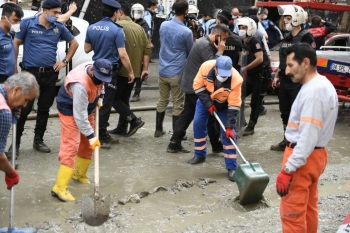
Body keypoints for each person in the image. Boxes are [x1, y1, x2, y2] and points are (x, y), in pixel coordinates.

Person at [276, 43, 338, 232]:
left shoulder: (313, 92)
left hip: (302, 158)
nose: (287, 71)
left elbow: (308, 136)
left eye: (290, 65)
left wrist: (288, 169)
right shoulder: (321, 84)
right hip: (315, 157)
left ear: (305, 63)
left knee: (292, 214)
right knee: (309, 208)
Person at [13, 0, 78, 155]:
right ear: (45, 10)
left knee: (44, 109)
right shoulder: (28, 24)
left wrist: (64, 62)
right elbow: (15, 43)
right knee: (24, 110)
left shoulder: (58, 27)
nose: (57, 15)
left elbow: (74, 43)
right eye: (55, 12)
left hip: (50, 75)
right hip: (29, 74)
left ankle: (38, 140)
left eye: (59, 13)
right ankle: (15, 146)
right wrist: (14, 69)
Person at [51, 59, 112, 202]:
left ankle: (79, 174)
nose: (101, 81)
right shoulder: (80, 84)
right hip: (69, 109)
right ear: (92, 71)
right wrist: (92, 136)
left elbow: (102, 85)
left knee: (87, 144)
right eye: (98, 78)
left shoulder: (100, 71)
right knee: (71, 145)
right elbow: (79, 116)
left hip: (86, 106)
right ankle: (59, 187)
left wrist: (100, 97)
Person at [166, 24, 229, 153]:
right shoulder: (205, 45)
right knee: (210, 116)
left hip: (190, 83)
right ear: (218, 36)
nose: (224, 42)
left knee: (187, 113)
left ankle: (174, 142)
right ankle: (216, 144)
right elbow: (212, 67)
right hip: (195, 85)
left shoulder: (203, 41)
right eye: (224, 39)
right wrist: (221, 52)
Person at [85, 0, 134, 146]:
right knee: (106, 102)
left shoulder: (92, 27)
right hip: (109, 71)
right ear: (116, 13)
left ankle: (95, 131)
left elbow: (87, 49)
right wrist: (130, 71)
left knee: (94, 100)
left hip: (95, 69)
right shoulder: (117, 30)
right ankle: (102, 133)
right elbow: (123, 54)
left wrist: (100, 45)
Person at [190, 56, 243, 182]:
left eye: (226, 74)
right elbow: (197, 86)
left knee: (228, 134)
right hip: (206, 101)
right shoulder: (205, 67)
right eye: (221, 74)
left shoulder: (236, 79)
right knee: (198, 123)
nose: (223, 77)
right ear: (215, 68)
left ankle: (231, 167)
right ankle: (199, 154)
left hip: (225, 106)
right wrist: (208, 104)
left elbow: (234, 105)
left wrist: (229, 126)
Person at [270, 4, 315, 151]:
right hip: (284, 81)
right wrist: (277, 75)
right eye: (285, 18)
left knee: (298, 114)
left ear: (297, 19)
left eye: (289, 18)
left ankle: (298, 143)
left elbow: (311, 61)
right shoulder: (288, 37)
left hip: (298, 83)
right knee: (285, 113)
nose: (286, 21)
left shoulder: (307, 37)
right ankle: (287, 139)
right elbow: (285, 60)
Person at [107, 0, 149, 137]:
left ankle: (134, 120)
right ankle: (121, 127)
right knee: (124, 99)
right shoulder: (140, 28)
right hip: (135, 71)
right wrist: (144, 69)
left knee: (114, 98)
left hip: (121, 70)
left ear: (120, 12)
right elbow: (147, 50)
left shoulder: (117, 25)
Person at [154, 0, 193, 138]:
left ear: (173, 10)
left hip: (162, 70)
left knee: (162, 100)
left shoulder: (163, 25)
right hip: (177, 72)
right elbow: (190, 51)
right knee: (178, 104)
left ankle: (158, 130)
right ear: (186, 11)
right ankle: (177, 134)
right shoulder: (186, 31)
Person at [0, 73, 38, 190]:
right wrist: (11, 172)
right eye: (26, 99)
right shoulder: (3, 112)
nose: (25, 105)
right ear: (16, 90)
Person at [237, 17, 264, 136]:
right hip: (248, 76)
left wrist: (245, 68)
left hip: (259, 76)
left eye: (244, 28)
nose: (242, 30)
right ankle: (241, 120)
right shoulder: (241, 41)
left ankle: (251, 126)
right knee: (239, 97)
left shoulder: (255, 41)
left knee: (255, 102)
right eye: (240, 28)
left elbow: (260, 59)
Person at [130, 3, 150, 102]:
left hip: (139, 51)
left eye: (139, 12)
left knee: (139, 73)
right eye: (135, 12)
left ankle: (136, 93)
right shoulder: (129, 20)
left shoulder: (144, 24)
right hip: (129, 50)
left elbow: (145, 37)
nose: (137, 14)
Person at [0, 3, 23, 83]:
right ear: (4, 18)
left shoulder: (10, 33)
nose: (18, 24)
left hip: (10, 79)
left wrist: (15, 71)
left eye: (19, 21)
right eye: (15, 20)